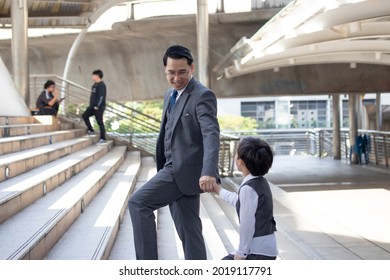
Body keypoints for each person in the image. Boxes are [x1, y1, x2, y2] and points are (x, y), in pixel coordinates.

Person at [128, 45, 220, 260]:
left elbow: (211, 134)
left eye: (182, 72)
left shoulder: (202, 95)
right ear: (165, 70)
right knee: (190, 232)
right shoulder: (169, 94)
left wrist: (209, 172)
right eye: (171, 72)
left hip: (182, 170)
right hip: (173, 169)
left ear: (192, 68)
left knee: (138, 203)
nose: (176, 78)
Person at [212, 137, 278, 260]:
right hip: (265, 248)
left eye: (236, 153)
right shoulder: (260, 181)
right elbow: (239, 201)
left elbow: (247, 224)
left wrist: (241, 254)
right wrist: (218, 190)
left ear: (240, 162)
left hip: (257, 252)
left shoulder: (249, 188)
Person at [82, 69, 107, 144]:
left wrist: (97, 106)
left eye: (93, 75)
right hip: (92, 107)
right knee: (85, 115)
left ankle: (103, 138)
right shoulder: (94, 85)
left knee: (100, 122)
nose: (92, 77)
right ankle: (91, 130)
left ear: (97, 76)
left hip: (98, 107)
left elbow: (101, 97)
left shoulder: (102, 85)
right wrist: (91, 105)